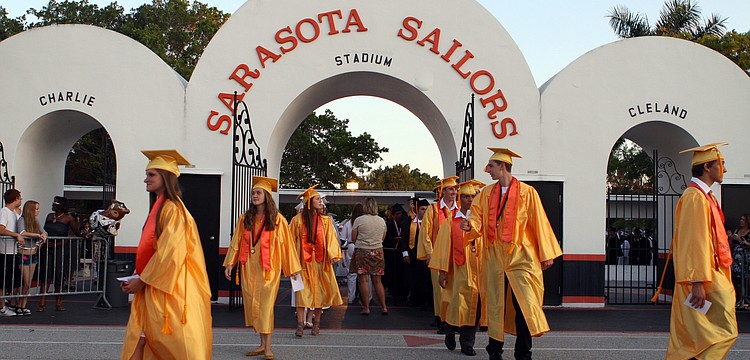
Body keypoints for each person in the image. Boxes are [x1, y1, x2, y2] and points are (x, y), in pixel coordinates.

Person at [461, 148, 562, 360]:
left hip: (522, 255)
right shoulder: (486, 193)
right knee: (495, 303)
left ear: (503, 166)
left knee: (524, 303)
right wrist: (470, 225)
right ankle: (494, 351)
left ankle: (523, 352)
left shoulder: (528, 192)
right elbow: (477, 218)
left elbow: (539, 223)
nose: (488, 170)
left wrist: (546, 254)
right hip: (495, 255)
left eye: (491, 166)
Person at [120, 149, 212, 360]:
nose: (146, 179)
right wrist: (135, 278)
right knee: (138, 338)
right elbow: (152, 250)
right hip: (157, 284)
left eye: (151, 174)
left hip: (172, 288)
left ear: (166, 176)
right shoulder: (161, 207)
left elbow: (170, 254)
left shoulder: (173, 210)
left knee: (166, 344)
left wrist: (141, 281)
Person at [666, 143, 737, 359]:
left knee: (698, 337)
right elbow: (693, 240)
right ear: (707, 166)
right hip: (704, 277)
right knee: (724, 331)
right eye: (721, 164)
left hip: (711, 273)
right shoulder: (695, 198)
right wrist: (696, 281)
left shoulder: (706, 197)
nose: (725, 168)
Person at [224, 176, 301, 359]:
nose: (254, 196)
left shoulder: (277, 220)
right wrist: (230, 263)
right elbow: (236, 241)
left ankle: (268, 348)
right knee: (254, 305)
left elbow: (286, 245)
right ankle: (261, 344)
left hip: (269, 268)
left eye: (258, 193)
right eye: (253, 193)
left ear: (266, 195)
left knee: (265, 306)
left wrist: (293, 268)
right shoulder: (245, 218)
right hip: (249, 267)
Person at [431, 180, 487, 356]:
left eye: (472, 196)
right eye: (466, 196)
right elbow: (443, 249)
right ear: (460, 198)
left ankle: (467, 344)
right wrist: (442, 272)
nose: (470, 200)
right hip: (458, 272)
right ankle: (450, 329)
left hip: (478, 272)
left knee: (474, 308)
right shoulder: (450, 223)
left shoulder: (481, 221)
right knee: (458, 305)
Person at [289, 185, 343, 337]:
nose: (321, 202)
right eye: (318, 199)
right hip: (301, 263)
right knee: (301, 294)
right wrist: (290, 262)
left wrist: (333, 255)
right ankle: (300, 325)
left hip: (320, 263)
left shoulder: (325, 221)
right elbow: (290, 243)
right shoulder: (296, 221)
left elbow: (331, 239)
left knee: (319, 294)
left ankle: (316, 324)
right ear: (309, 202)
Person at [417, 176, 459, 334]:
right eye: (450, 189)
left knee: (455, 288)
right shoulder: (433, 209)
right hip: (438, 255)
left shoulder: (459, 209)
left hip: (456, 255)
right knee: (440, 289)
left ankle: (454, 320)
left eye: (455, 189)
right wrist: (429, 252)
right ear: (443, 191)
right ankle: (441, 320)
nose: (454, 192)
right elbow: (425, 233)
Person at [39, 195, 80, 312]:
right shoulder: (49, 216)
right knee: (46, 274)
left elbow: (77, 232)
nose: (53, 205)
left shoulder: (68, 218)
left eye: (56, 203)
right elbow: (46, 230)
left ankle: (58, 302)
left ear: (62, 206)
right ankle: (42, 302)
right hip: (47, 248)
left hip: (60, 249)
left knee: (58, 275)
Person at [350, 197, 387, 315]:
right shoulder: (382, 221)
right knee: (377, 280)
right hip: (378, 250)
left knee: (364, 280)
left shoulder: (359, 220)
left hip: (362, 250)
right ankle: (384, 306)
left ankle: (366, 307)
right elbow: (383, 237)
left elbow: (353, 238)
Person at [15, 200, 47, 315]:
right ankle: (19, 304)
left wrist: (42, 236)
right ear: (30, 210)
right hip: (24, 254)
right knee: (26, 282)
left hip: (33, 254)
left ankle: (23, 305)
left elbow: (44, 232)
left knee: (29, 282)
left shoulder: (36, 221)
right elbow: (22, 232)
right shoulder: (21, 220)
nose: (38, 211)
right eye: (36, 209)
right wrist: (37, 235)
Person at [401, 198, 431, 309]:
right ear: (418, 210)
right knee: (414, 277)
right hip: (413, 255)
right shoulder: (410, 222)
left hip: (427, 255)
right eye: (422, 209)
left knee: (426, 278)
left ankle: (427, 301)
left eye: (427, 209)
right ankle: (415, 299)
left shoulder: (432, 223)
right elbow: (404, 238)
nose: (425, 211)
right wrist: (405, 253)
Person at [0, 189, 24, 317]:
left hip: (12, 251)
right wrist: (15, 235)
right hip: (4, 252)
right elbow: (1, 229)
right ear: (15, 199)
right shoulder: (4, 212)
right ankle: (2, 307)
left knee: (11, 279)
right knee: (2, 280)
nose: (20, 200)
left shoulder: (13, 214)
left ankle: (7, 304)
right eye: (19, 198)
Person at [383, 203, 409, 304]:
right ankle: (393, 292)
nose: (399, 215)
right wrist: (394, 239)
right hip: (391, 252)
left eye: (400, 213)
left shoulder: (405, 222)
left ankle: (403, 293)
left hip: (401, 253)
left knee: (402, 274)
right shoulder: (389, 223)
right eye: (396, 214)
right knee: (392, 273)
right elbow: (385, 237)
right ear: (393, 215)